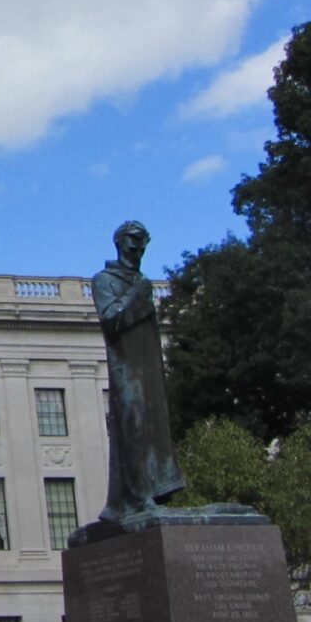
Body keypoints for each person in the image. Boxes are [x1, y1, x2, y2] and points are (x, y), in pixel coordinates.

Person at [91, 220, 184, 524]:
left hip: (148, 368)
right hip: (126, 369)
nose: (138, 247)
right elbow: (111, 319)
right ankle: (136, 494)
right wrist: (138, 295)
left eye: (143, 241)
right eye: (133, 240)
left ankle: (155, 490)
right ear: (119, 242)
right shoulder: (105, 280)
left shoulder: (139, 281)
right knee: (134, 426)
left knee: (154, 426)